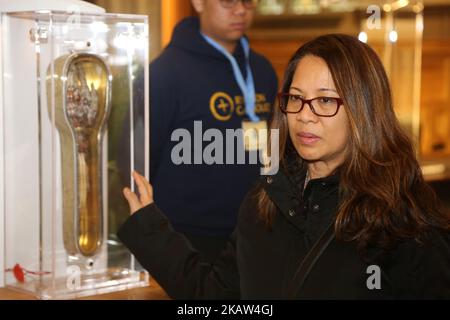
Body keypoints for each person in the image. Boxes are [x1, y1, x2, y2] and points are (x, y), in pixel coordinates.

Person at [119, 34, 450, 299]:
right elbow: (219, 295)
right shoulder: (265, 202)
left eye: (325, 100)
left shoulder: (402, 222)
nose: (304, 115)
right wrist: (150, 229)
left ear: (363, 110)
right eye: (296, 98)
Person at [149, 0, 278, 262]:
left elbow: (272, 149)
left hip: (254, 230)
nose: (241, 10)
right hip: (185, 237)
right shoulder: (165, 72)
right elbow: (139, 160)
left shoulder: (262, 70)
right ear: (198, 3)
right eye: (228, 1)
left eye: (248, 1)